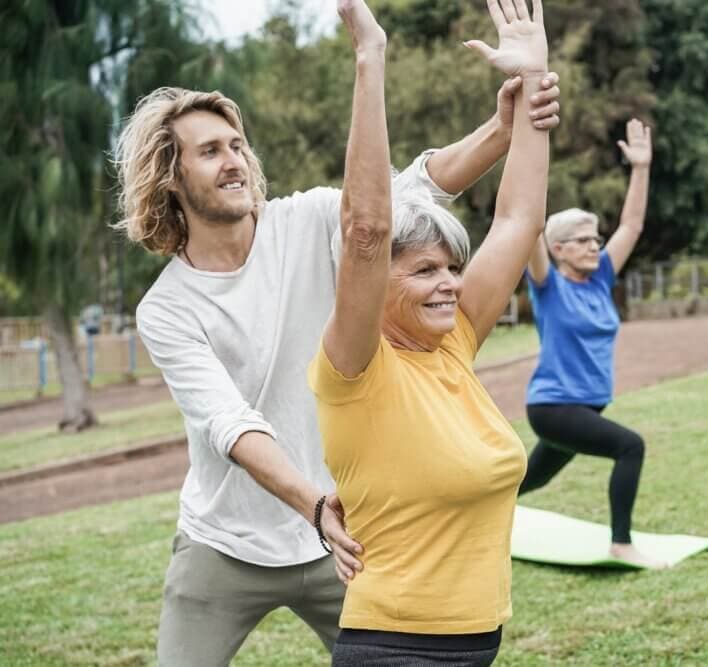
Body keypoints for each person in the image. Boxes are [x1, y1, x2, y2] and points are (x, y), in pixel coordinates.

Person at [113, 17, 561, 667]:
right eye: (210, 151)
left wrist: (506, 126)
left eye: (237, 144)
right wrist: (312, 501)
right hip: (229, 541)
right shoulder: (167, 308)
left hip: (342, 535)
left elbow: (421, 185)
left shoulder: (305, 220)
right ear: (169, 175)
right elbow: (230, 423)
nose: (234, 159)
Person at [308, 0, 550, 663]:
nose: (449, 281)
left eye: (452, 266)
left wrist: (534, 83)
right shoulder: (356, 370)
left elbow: (520, 219)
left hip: (476, 641)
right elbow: (364, 231)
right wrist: (370, 56)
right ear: (374, 286)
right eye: (423, 270)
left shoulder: (454, 343)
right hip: (395, 647)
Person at [518, 118, 662, 568]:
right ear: (557, 248)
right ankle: (621, 542)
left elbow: (632, 224)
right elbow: (527, 225)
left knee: (526, 482)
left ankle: (455, 514)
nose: (593, 247)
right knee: (629, 446)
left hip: (585, 407)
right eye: (582, 241)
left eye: (596, 239)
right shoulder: (547, 285)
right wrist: (530, 150)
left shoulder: (599, 279)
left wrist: (640, 167)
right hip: (555, 407)